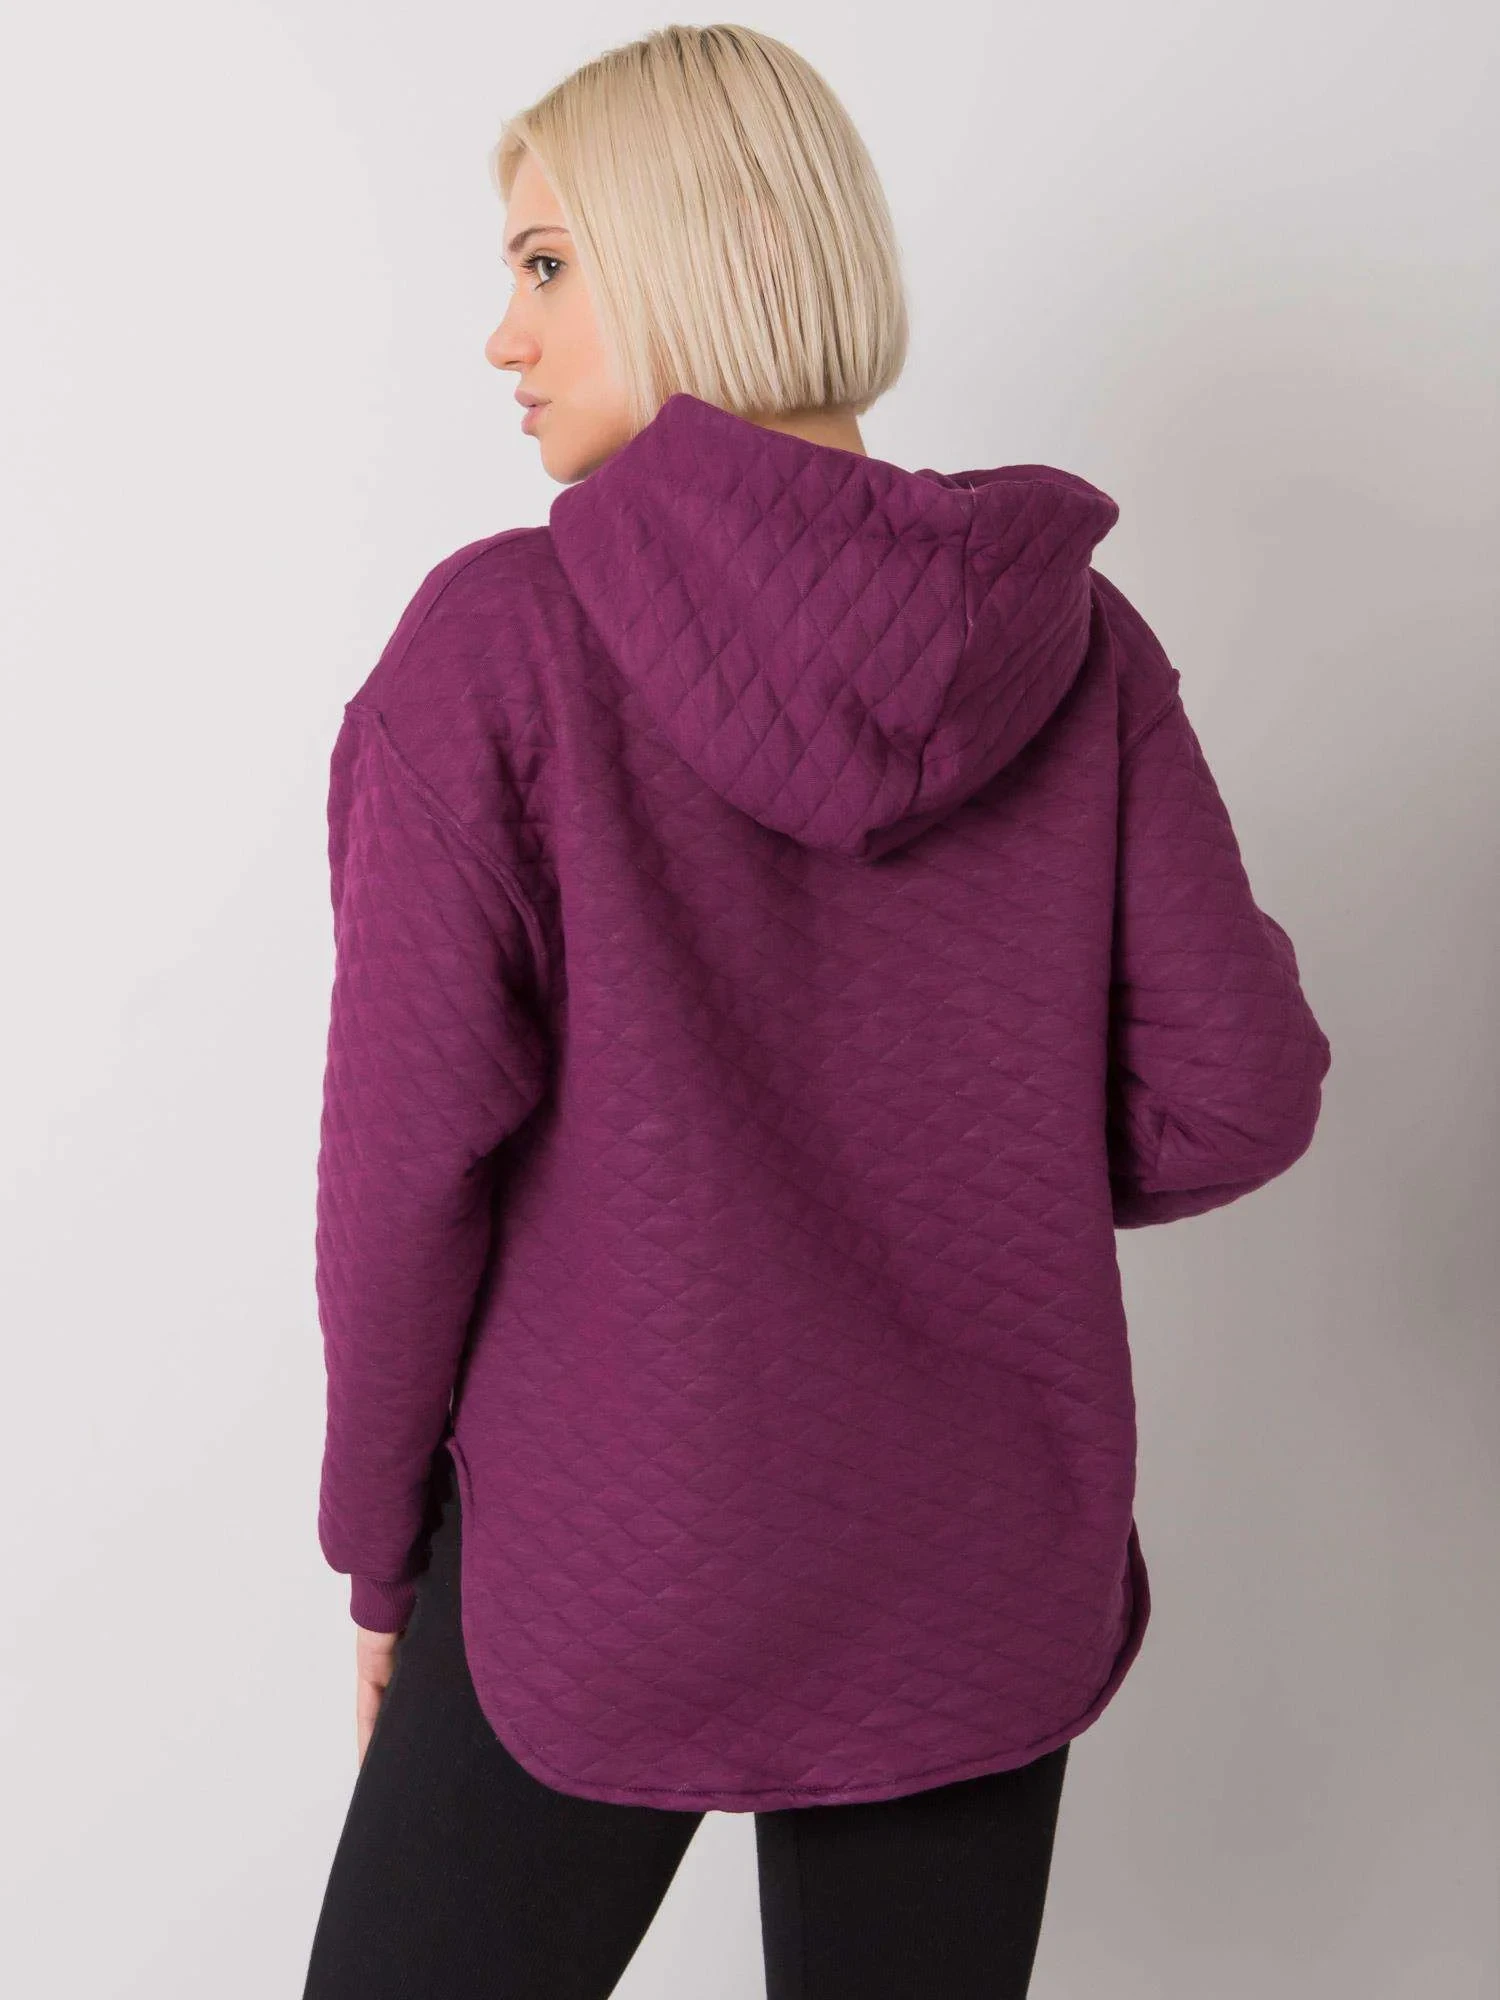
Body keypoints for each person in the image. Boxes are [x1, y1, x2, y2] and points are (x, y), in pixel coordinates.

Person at [301, 23, 1333, 1999]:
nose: (504, 339)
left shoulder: (501, 646)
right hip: (971, 1567)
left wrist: (377, 1554)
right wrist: (971, 1146)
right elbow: (1239, 1092)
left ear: (718, 251)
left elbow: (404, 1175)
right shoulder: (1080, 644)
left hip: (613, 1554)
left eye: (547, 264)